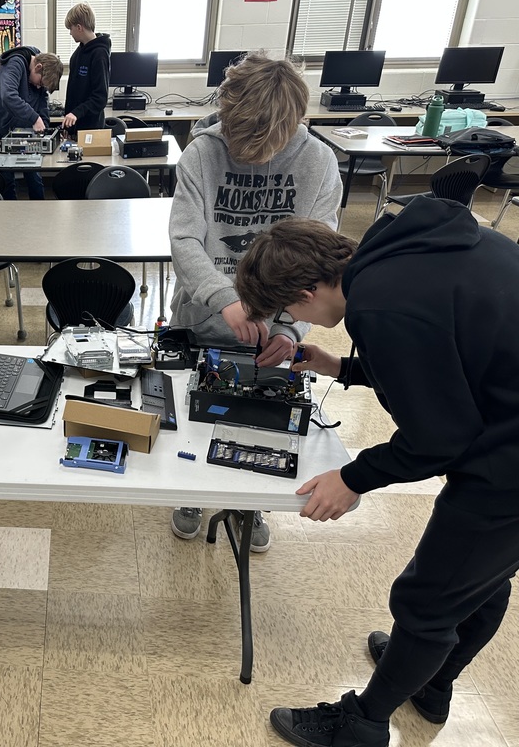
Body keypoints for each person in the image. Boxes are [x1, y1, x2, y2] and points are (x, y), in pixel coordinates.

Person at [233, 198, 519, 747]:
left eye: (295, 314)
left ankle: (362, 723)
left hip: (508, 460)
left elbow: (438, 438)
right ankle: (430, 682)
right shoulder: (404, 249)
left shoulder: (382, 307)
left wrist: (353, 477)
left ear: (307, 293)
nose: (304, 323)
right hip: (503, 418)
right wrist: (344, 367)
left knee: (426, 601)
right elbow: (448, 355)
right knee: (480, 580)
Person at [167, 51, 342, 551]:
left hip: (276, 327)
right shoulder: (201, 153)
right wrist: (225, 298)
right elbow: (184, 239)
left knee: (260, 420)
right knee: (196, 413)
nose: (250, 155)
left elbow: (318, 267)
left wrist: (288, 329)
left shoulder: (317, 163)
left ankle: (249, 500)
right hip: (202, 317)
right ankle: (191, 492)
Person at [0, 45, 63, 200]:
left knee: (34, 179)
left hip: (24, 135)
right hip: (1, 132)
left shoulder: (41, 73)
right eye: (40, 83)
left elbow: (42, 105)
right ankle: (11, 220)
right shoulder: (15, 63)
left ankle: (39, 216)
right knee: (7, 182)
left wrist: (44, 132)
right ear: (38, 67)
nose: (39, 86)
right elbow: (8, 96)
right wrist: (34, 118)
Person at [61, 3, 110, 132]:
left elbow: (100, 98)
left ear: (79, 27)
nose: (70, 33)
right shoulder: (80, 51)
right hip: (75, 125)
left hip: (90, 128)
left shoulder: (99, 54)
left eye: (70, 29)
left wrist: (76, 113)